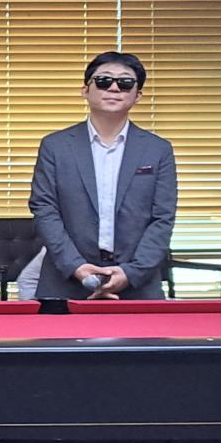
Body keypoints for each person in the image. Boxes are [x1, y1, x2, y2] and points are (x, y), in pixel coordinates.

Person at [29, 52, 177, 301]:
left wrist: (131, 272)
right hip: (65, 281)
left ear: (138, 95)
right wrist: (77, 267)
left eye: (125, 82)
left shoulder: (158, 149)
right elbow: (44, 209)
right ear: (85, 90)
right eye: (103, 81)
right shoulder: (55, 146)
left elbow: (162, 218)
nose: (114, 88)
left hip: (137, 284)